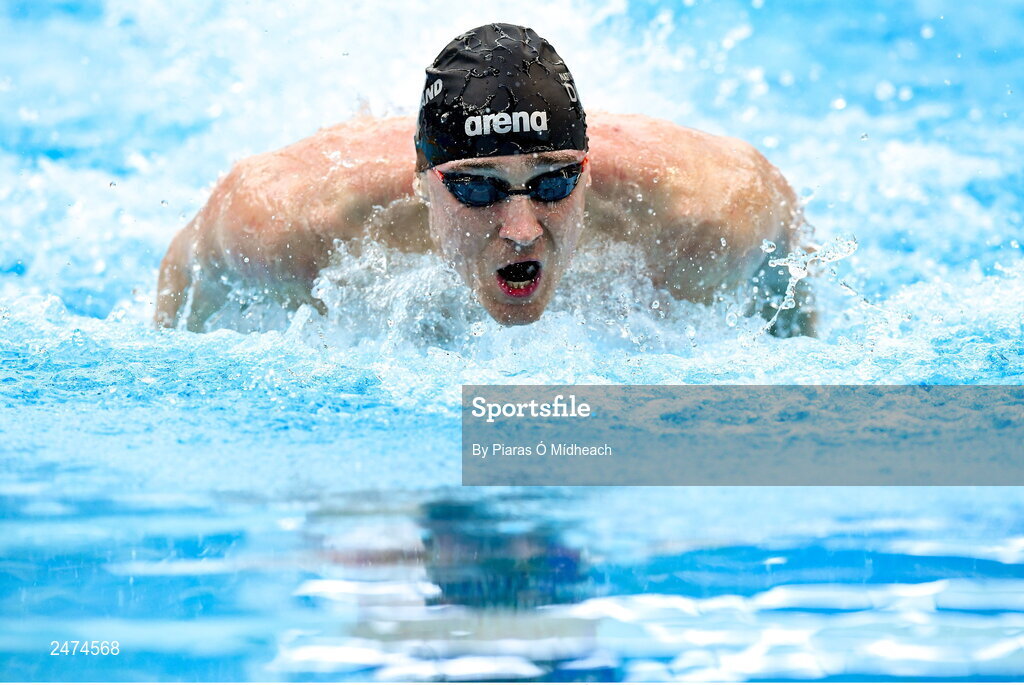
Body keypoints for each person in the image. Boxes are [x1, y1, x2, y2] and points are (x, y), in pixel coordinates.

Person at [155, 23, 814, 336]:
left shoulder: (707, 213)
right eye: (477, 188)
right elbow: (186, 273)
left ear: (586, 171)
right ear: (422, 179)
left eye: (553, 183)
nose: (522, 229)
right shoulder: (291, 222)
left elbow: (788, 259)